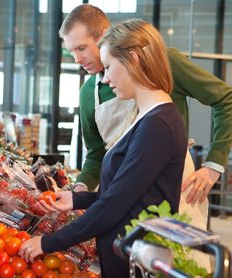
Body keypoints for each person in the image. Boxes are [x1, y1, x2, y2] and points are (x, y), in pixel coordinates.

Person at [19, 19, 188, 278]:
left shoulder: (158, 125)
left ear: (134, 59)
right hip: (125, 251)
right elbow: (128, 194)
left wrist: (49, 242)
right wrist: (77, 199)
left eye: (109, 67)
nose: (106, 78)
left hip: (134, 260)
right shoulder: (146, 118)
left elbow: (114, 205)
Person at [59, 4, 232, 205]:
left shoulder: (164, 62)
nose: (77, 59)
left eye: (82, 48)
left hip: (176, 190)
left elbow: (225, 98)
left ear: (104, 36)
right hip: (123, 194)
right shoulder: (88, 93)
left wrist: (214, 165)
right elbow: (96, 155)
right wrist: (81, 188)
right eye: (71, 51)